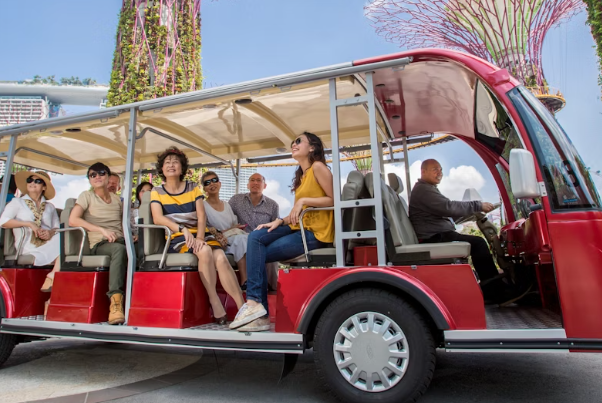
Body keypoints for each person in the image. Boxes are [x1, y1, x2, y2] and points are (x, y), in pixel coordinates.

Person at [229, 132, 334, 332]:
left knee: (256, 255)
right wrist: (279, 221)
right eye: (293, 142)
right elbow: (298, 213)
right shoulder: (302, 176)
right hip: (298, 227)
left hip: (315, 233)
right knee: (256, 236)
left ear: (312, 147)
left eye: (298, 141)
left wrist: (303, 201)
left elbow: (334, 200)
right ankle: (256, 306)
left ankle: (257, 310)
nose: (293, 144)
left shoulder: (318, 168)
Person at [149, 147, 244, 325]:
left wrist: (200, 237)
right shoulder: (157, 191)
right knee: (206, 252)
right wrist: (182, 230)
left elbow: (201, 216)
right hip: (177, 237)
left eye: (175, 162)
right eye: (167, 162)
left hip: (200, 234)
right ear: (161, 168)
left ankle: (242, 308)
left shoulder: (193, 188)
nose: (171, 165)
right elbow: (157, 217)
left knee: (221, 257)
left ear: (182, 167)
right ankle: (214, 301)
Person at [408, 159, 505, 302]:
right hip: (434, 237)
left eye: (441, 169)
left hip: (439, 233)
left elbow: (447, 213)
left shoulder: (428, 188)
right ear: (423, 171)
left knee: (476, 242)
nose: (439, 173)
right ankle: (493, 291)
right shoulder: (423, 190)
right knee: (478, 244)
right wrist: (477, 205)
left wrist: (470, 214)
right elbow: (448, 207)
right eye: (435, 169)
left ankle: (493, 288)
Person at [69, 162, 127, 325]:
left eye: (101, 173)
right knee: (119, 250)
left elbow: (123, 224)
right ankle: (115, 305)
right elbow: (73, 220)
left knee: (142, 251)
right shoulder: (86, 196)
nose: (97, 177)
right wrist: (101, 230)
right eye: (92, 175)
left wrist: (134, 236)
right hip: (100, 244)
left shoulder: (117, 200)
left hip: (120, 239)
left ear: (108, 177)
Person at [0, 171, 60, 292]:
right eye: (30, 180)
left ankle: (53, 276)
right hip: (28, 245)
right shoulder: (17, 202)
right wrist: (28, 224)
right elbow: (3, 222)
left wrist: (50, 233)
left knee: (64, 238)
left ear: (44, 187)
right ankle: (53, 276)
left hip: (48, 242)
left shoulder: (50, 207)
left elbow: (57, 228)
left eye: (37, 181)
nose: (32, 183)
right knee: (64, 248)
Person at [229, 173, 280, 289]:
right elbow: (227, 217)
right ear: (248, 184)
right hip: (242, 238)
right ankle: (246, 282)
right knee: (241, 241)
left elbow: (275, 227)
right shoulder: (236, 200)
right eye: (252, 180)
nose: (255, 183)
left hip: (263, 239)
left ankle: (271, 288)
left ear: (265, 185)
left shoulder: (273, 205)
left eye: (259, 180)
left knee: (272, 251)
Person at [201, 171, 249, 288]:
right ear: (204, 188)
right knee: (241, 240)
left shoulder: (227, 205)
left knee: (250, 238)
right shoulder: (202, 206)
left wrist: (234, 228)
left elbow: (233, 225)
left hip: (232, 236)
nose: (212, 184)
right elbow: (205, 227)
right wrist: (223, 232)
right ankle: (244, 280)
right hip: (216, 240)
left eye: (214, 180)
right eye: (207, 182)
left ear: (220, 183)